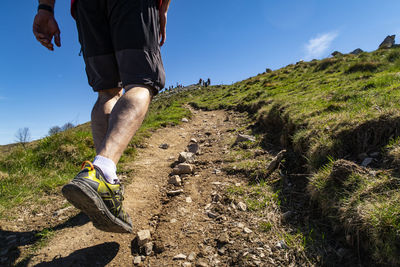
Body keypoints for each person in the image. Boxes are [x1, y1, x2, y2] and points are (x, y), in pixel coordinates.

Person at [32, 0, 171, 233]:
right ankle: (104, 172)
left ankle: (98, 179)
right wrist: (163, 9)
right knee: (140, 82)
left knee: (106, 92)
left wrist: (45, 9)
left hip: (87, 7)